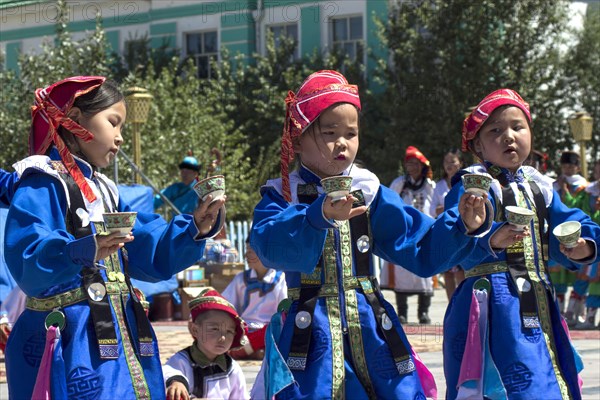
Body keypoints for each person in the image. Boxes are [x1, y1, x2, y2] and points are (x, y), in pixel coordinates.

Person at [250, 70, 492, 399]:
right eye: (330, 132)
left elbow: (418, 245)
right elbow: (269, 246)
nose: (342, 143)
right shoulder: (282, 194)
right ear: (297, 137)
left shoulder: (367, 190)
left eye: (351, 133)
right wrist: (317, 216)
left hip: (372, 327)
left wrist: (463, 224)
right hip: (309, 333)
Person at [4, 76, 226, 399]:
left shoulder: (106, 191)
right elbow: (27, 253)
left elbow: (146, 243)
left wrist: (195, 228)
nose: (120, 138)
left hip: (120, 337)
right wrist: (80, 250)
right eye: (113, 123)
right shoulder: (43, 181)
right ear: (76, 119)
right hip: (74, 340)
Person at [443, 88, 600, 399]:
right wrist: (490, 237)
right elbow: (451, 236)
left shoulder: (540, 187)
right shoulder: (471, 186)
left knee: (546, 379)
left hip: (538, 301)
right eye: (496, 130)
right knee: (503, 384)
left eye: (518, 127)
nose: (509, 137)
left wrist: (583, 245)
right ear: (477, 144)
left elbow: (576, 222)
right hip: (490, 306)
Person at [380, 146, 436, 324]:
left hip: (425, 233)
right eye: (409, 163)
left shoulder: (429, 185)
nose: (412, 167)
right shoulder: (399, 183)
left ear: (422, 165)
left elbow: (435, 205)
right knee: (401, 270)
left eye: (415, 163)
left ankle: (423, 312)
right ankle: (402, 312)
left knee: (424, 272)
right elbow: (388, 203)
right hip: (404, 233)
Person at [163, 287, 249, 400]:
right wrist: (176, 382)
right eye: (214, 329)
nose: (223, 337)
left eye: (229, 331)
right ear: (195, 330)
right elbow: (168, 372)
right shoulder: (182, 361)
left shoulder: (232, 368)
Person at [222, 236, 287, 360]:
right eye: (247, 250)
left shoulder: (281, 280)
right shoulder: (241, 279)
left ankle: (240, 351)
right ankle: (254, 351)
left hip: (268, 329)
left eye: (252, 250)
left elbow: (284, 313)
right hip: (244, 330)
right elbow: (226, 304)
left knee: (272, 331)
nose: (247, 254)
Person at [562, 160, 600, 330]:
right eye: (597, 171)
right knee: (585, 279)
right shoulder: (588, 191)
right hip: (592, 239)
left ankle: (590, 316)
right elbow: (576, 209)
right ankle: (576, 315)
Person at [554, 150, 589, 324]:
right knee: (557, 275)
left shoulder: (585, 188)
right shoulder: (553, 184)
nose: (568, 169)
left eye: (571, 165)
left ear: (577, 167)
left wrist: (565, 192)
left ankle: (575, 312)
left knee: (579, 274)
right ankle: (559, 312)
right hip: (556, 235)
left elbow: (578, 210)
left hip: (577, 235)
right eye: (565, 165)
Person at [431, 148, 466, 300]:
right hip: (445, 231)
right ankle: (452, 304)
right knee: (447, 272)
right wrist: (454, 207)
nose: (449, 165)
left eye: (452, 161)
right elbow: (433, 209)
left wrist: (447, 208)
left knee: (460, 271)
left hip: (463, 230)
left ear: (460, 163)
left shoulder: (465, 183)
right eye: (446, 162)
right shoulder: (439, 186)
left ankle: (463, 303)